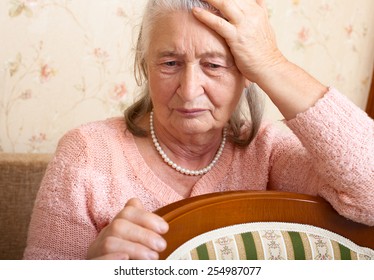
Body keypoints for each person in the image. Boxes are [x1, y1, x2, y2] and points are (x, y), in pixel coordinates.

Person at [24, 0, 374, 260]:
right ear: (145, 66)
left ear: (246, 76)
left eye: (214, 64)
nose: (189, 90)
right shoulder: (86, 151)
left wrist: (272, 63)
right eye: (170, 63)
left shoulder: (269, 151)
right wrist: (91, 266)